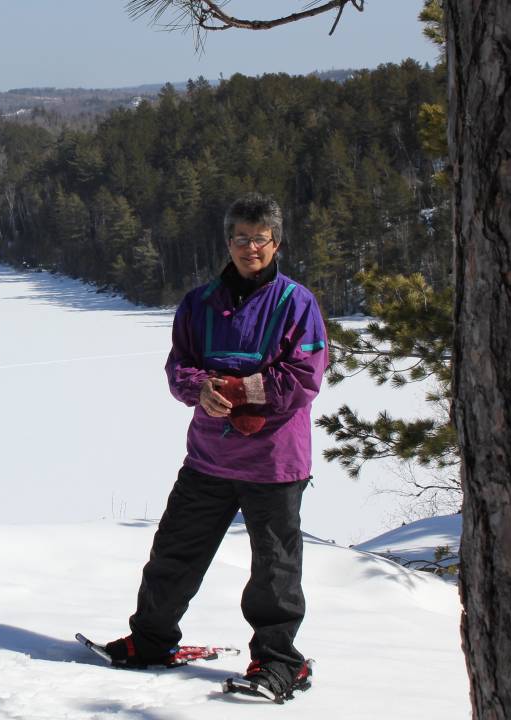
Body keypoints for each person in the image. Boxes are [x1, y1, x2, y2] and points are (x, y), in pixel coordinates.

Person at [105, 192, 328, 700]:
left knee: (274, 573)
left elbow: (303, 378)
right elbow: (179, 366)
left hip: (274, 463)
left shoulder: (297, 303)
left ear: (276, 243)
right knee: (173, 554)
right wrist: (198, 388)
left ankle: (278, 664)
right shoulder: (200, 303)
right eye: (242, 238)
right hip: (208, 458)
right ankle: (150, 642)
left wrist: (238, 388)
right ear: (228, 242)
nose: (252, 248)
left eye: (261, 239)